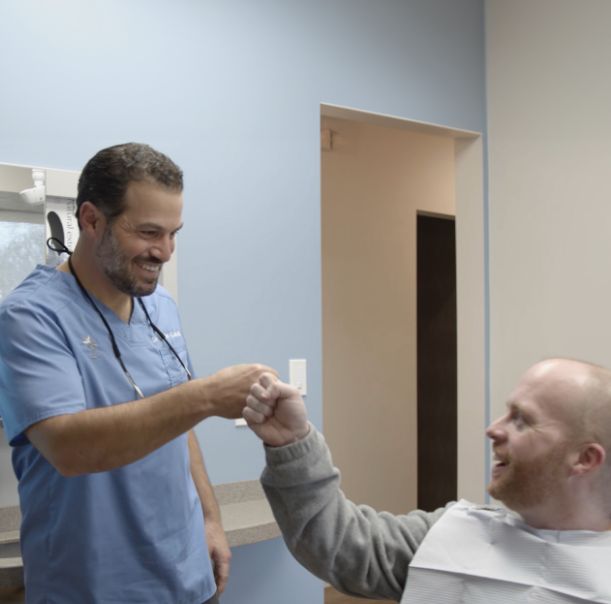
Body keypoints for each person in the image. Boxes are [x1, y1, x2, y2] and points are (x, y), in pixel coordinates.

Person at [0, 143, 272, 604]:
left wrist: (210, 519)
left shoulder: (160, 306)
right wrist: (205, 397)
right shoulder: (29, 317)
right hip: (92, 585)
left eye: (173, 234)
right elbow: (68, 448)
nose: (163, 252)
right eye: (148, 232)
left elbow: (179, 426)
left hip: (187, 577)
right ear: (91, 220)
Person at [243, 358, 611, 603]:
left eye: (521, 419)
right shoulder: (450, 534)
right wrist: (292, 442)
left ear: (584, 458)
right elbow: (338, 545)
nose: (493, 429)